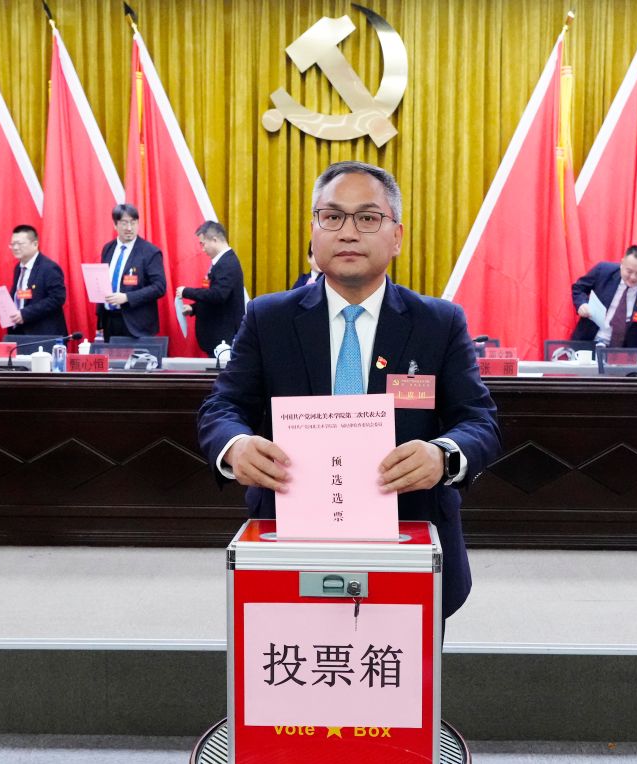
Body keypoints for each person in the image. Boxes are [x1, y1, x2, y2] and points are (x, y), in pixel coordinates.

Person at [197, 161, 502, 620]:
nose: (348, 232)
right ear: (313, 231)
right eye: (333, 216)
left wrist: (443, 455)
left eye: (367, 218)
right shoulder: (268, 318)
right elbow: (222, 406)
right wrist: (235, 445)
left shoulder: (438, 323)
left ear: (397, 236)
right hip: (288, 536)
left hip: (410, 539)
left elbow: (479, 421)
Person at [96, 203, 166, 340]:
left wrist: (127, 297)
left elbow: (159, 287)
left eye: (133, 223)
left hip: (137, 324)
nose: (129, 228)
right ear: (115, 225)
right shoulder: (108, 248)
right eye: (124, 223)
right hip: (109, 320)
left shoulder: (150, 251)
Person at [176, 221, 245, 356]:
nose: (202, 249)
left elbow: (218, 295)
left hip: (223, 339)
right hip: (217, 339)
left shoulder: (227, 263)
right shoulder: (221, 262)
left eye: (203, 244)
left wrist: (186, 292)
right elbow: (213, 296)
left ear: (214, 240)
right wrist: (194, 308)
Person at [3, 224, 68, 337]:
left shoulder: (49, 268)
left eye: (20, 244)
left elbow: (57, 299)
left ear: (35, 244)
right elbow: (22, 295)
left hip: (43, 334)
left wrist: (25, 314)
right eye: (12, 244)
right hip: (20, 333)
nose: (15, 248)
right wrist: (4, 310)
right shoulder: (18, 268)